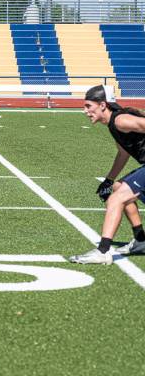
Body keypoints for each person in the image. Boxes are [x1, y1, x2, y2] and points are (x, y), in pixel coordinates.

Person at [70, 85, 145, 265]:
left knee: (116, 199)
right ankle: (141, 240)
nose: (85, 111)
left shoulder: (121, 121)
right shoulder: (114, 125)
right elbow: (123, 154)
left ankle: (103, 251)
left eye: (89, 106)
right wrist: (109, 180)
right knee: (118, 187)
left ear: (103, 105)